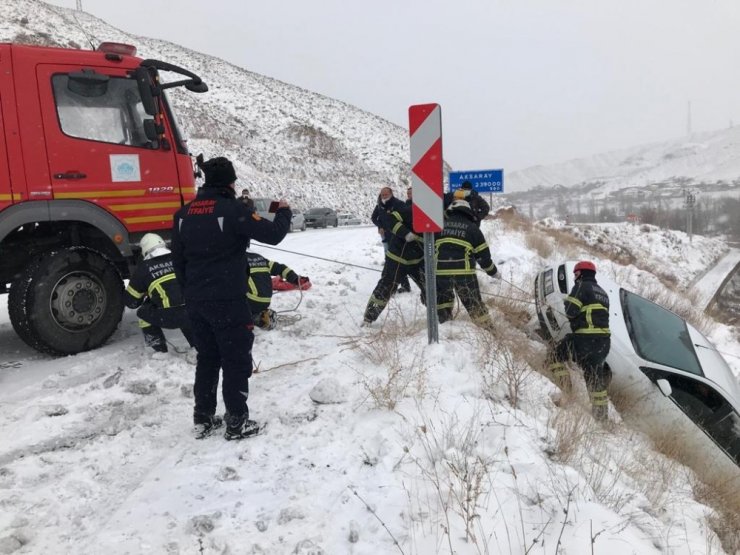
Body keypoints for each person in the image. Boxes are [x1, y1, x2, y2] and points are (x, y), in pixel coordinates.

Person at [171, 156, 291, 440]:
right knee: (236, 359)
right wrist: (284, 211)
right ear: (230, 182)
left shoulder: (183, 215)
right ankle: (236, 421)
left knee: (208, 358)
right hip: (228, 299)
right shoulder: (232, 209)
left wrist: (190, 291)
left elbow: (178, 261)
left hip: (197, 300)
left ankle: (203, 418)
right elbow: (273, 235)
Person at [547, 261, 612, 421]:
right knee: (594, 377)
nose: (575, 277)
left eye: (576, 274)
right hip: (603, 343)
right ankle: (601, 417)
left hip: (585, 339)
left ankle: (566, 388)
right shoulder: (603, 293)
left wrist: (566, 301)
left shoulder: (582, 286)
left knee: (555, 357)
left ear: (581, 273)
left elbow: (570, 311)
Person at [124, 233, 194, 353]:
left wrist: (149, 293)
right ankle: (197, 345)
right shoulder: (181, 260)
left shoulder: (143, 269)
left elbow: (132, 303)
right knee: (183, 303)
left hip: (167, 318)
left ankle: (159, 350)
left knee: (143, 313)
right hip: (193, 314)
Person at [435, 200, 499, 331]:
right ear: (468, 212)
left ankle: (445, 329)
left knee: (443, 303)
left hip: (441, 272)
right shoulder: (472, 229)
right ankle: (489, 332)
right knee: (474, 305)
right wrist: (493, 272)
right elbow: (483, 257)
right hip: (463, 274)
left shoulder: (439, 226)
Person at [363, 195, 424, 324]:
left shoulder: (437, 217)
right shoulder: (409, 211)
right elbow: (390, 219)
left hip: (418, 261)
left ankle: (442, 318)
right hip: (396, 257)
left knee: (431, 287)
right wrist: (405, 233)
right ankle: (369, 318)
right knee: (385, 287)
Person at [246, 249, 310, 330]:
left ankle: (251, 318)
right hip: (265, 300)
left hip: (250, 301)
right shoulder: (259, 258)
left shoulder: (237, 259)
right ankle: (258, 314)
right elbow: (280, 268)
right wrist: (295, 278)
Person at [370, 187, 411, 293]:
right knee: (390, 261)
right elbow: (374, 218)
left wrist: (402, 232)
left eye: (386, 194)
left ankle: (399, 286)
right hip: (386, 238)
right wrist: (380, 227)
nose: (384, 196)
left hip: (398, 238)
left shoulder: (398, 204)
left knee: (396, 262)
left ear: (391, 193)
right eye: (382, 195)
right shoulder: (380, 206)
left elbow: (406, 219)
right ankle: (395, 285)